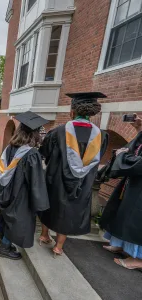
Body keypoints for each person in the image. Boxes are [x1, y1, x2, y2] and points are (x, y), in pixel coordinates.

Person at [39, 92, 108, 257]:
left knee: (50, 205)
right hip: (82, 182)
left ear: (72, 111)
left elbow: (45, 153)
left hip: (56, 179)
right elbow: (98, 158)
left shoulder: (58, 133)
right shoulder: (102, 136)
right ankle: (59, 246)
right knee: (70, 210)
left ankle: (44, 235)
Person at [0, 111, 50, 260]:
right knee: (16, 220)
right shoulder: (31, 154)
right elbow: (35, 181)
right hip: (20, 194)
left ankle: (0, 237)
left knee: (5, 216)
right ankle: (4, 247)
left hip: (6, 190)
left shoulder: (10, 147)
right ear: (34, 134)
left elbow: (1, 171)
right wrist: (40, 202)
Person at [100, 113, 142, 270]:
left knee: (137, 221)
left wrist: (123, 156)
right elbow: (136, 149)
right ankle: (123, 247)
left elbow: (138, 162)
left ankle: (139, 260)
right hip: (136, 183)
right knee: (127, 215)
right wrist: (139, 129)